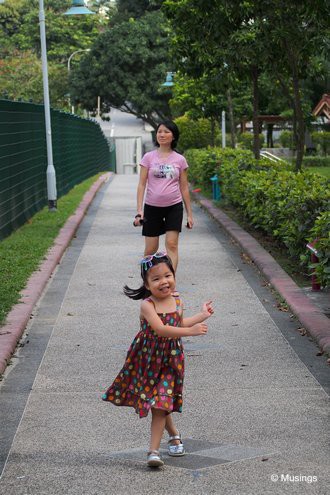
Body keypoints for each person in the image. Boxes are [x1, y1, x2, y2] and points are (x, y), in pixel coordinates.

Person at [102, 252, 214, 468]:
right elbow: (161, 329)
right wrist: (191, 332)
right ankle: (174, 434)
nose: (164, 282)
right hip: (147, 359)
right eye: (156, 279)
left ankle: (153, 452)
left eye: (168, 275)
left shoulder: (178, 299)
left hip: (171, 360)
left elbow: (179, 323)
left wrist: (202, 315)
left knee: (162, 401)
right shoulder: (147, 305)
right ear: (146, 284)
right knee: (159, 403)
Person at [133, 121, 194, 272]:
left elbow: (184, 187)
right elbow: (141, 185)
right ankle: (148, 282)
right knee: (151, 249)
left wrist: (190, 215)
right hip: (152, 207)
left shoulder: (180, 159)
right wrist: (139, 210)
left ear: (173, 136)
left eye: (166, 132)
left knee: (172, 245)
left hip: (174, 207)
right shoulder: (148, 157)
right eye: (159, 131)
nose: (162, 134)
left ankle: (170, 282)